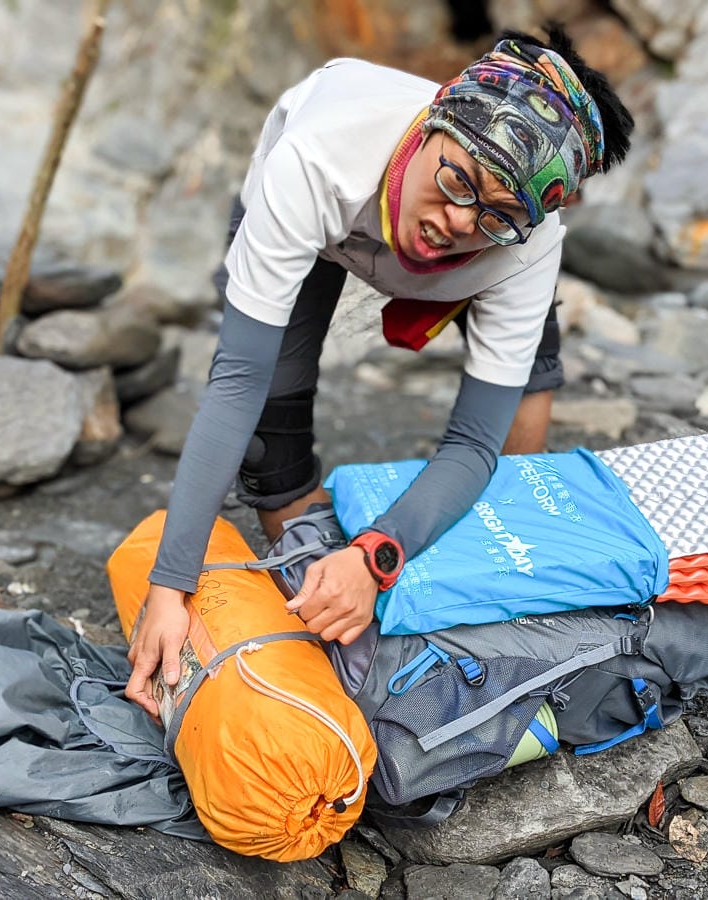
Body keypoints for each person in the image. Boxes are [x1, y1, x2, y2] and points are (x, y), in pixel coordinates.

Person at [126, 26, 634, 716]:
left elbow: (473, 444)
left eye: (497, 213)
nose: (458, 220)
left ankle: (510, 570)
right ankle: (310, 582)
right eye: (456, 181)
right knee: (267, 414)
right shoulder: (319, 155)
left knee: (523, 391)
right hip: (334, 227)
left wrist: (377, 554)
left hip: (476, 272)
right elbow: (236, 382)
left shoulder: (523, 236)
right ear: (429, 127)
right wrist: (169, 586)